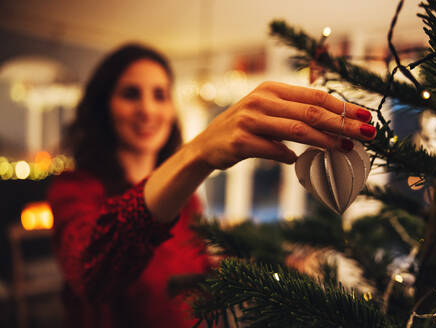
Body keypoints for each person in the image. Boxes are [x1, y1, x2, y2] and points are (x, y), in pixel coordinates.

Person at [47, 43, 376, 328]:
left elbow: (196, 270)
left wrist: (267, 267)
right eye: (130, 93)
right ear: (104, 106)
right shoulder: (74, 190)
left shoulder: (185, 200)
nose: (147, 109)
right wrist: (197, 153)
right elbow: (91, 274)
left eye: (160, 95)